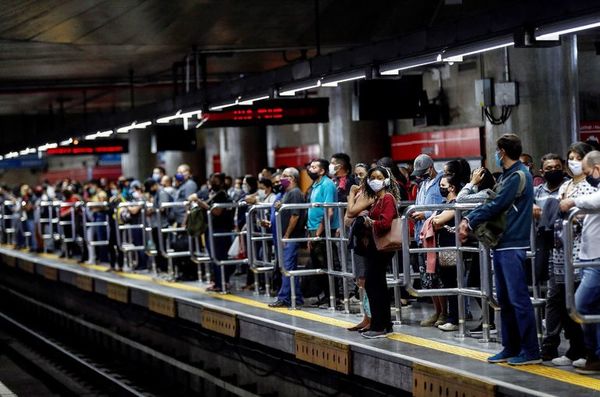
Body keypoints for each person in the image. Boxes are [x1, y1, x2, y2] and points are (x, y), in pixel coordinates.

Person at [458, 133, 540, 366]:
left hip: (513, 242)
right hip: (503, 243)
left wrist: (469, 220)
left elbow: (497, 203)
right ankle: (510, 347)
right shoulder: (510, 175)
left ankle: (530, 351)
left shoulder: (517, 175)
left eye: (497, 150)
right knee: (505, 298)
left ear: (502, 151)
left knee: (518, 299)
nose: (496, 154)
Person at [540, 143, 593, 365]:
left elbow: (582, 215)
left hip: (580, 251)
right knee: (560, 299)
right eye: (570, 157)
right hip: (559, 252)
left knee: (579, 300)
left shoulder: (591, 187)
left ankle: (586, 350)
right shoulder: (566, 185)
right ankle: (573, 348)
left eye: (577, 157)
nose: (573, 161)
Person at [560, 150, 600, 374]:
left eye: (587, 172)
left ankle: (595, 353)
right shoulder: (596, 188)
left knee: (581, 304)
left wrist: (573, 201)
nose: (587, 176)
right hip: (588, 258)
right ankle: (594, 355)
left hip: (597, 259)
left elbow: (595, 201)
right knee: (591, 307)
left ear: (597, 169)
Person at [360, 166, 401, 339]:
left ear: (386, 179)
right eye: (372, 177)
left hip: (382, 247)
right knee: (377, 284)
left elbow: (385, 223)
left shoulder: (388, 198)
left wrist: (370, 222)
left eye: (379, 177)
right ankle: (385, 324)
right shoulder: (377, 199)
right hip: (375, 246)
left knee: (373, 283)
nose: (375, 180)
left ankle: (379, 326)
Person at [410, 154, 445, 327]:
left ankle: (444, 313)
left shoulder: (441, 183)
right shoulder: (422, 185)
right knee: (428, 277)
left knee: (437, 276)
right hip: (421, 234)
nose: (419, 176)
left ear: (430, 168)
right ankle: (437, 310)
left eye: (422, 172)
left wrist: (426, 214)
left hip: (434, 235)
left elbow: (444, 207)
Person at [267, 167, 306, 307]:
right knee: (288, 267)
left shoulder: (295, 193)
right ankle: (297, 297)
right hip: (284, 237)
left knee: (287, 268)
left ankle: (284, 298)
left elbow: (295, 216)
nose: (281, 178)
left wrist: (287, 235)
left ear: (292, 178)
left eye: (284, 175)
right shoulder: (287, 193)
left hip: (289, 237)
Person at [431, 172, 463, 332]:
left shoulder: (455, 203)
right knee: (448, 283)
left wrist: (435, 220)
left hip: (452, 248)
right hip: (443, 249)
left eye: (443, 186)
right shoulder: (445, 203)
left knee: (453, 285)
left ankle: (455, 319)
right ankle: (452, 317)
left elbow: (436, 221)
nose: (440, 188)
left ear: (452, 187)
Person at [306, 159, 339, 304]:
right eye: (310, 167)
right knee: (318, 264)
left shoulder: (327, 184)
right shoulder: (314, 185)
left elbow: (329, 211)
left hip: (324, 229)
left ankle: (333, 296)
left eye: (313, 167)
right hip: (313, 228)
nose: (310, 169)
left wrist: (318, 232)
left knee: (327, 263)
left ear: (322, 171)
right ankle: (326, 295)